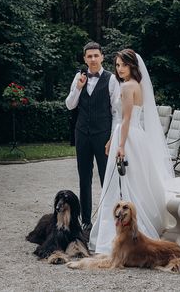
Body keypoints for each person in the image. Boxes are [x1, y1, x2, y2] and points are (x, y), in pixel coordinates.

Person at [89, 49, 174, 254]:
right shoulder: (137, 85)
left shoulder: (128, 86)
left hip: (127, 138)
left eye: (123, 65)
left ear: (132, 66)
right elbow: (125, 119)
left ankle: (122, 233)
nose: (119, 69)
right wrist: (112, 139)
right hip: (134, 136)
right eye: (117, 65)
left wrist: (120, 145)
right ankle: (136, 227)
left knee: (123, 183)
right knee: (136, 181)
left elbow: (125, 118)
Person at [65, 41, 120, 237]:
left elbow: (116, 112)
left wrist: (112, 138)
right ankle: (86, 221)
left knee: (107, 179)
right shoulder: (79, 77)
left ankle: (107, 220)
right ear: (85, 59)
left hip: (103, 136)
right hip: (82, 135)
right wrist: (78, 88)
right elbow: (70, 105)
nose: (93, 59)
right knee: (84, 178)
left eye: (96, 55)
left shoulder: (112, 79)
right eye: (89, 56)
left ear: (102, 57)